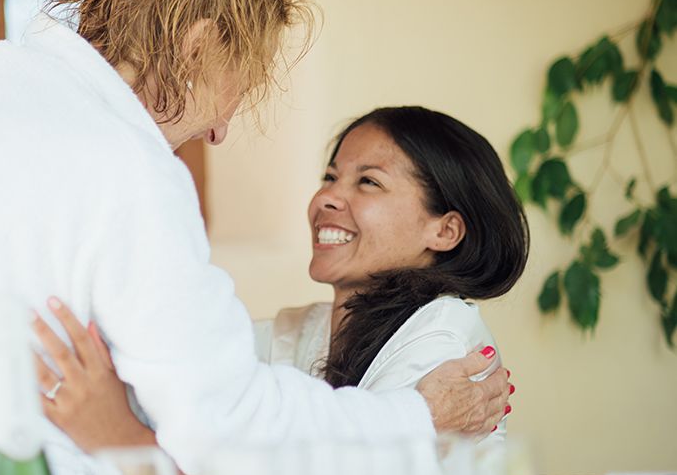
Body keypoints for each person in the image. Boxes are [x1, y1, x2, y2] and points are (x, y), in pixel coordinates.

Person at [0, 0, 509, 475]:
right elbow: (223, 420)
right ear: (199, 45)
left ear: (448, 228)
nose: (220, 127)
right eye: (236, 83)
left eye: (369, 182)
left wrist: (115, 420)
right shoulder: (124, 167)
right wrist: (414, 418)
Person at [34, 106, 525, 452]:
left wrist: (118, 438)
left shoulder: (442, 341)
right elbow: (198, 388)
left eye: (368, 181)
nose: (327, 198)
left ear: (445, 230)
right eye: (330, 177)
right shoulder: (302, 331)